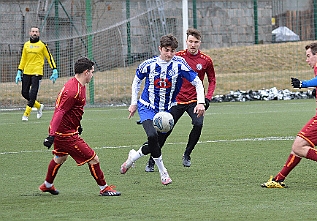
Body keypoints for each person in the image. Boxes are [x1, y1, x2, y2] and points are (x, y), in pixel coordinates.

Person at [120, 34, 206, 185]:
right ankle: (163, 173)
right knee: (152, 136)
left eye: (172, 51)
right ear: (160, 49)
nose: (169, 54)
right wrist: (133, 103)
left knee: (156, 141)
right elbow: (137, 81)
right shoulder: (148, 64)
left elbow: (197, 82)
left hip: (166, 111)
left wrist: (200, 102)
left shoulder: (180, 64)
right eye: (166, 50)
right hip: (147, 107)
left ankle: (133, 157)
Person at [261, 42, 317, 188]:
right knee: (298, 147)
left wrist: (302, 84)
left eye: (308, 56)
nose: (307, 60)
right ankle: (278, 179)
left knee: (298, 146)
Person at [40, 57, 121, 196]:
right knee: (94, 159)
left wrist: (78, 124)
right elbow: (60, 111)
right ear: (86, 72)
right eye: (92, 72)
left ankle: (47, 185)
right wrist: (51, 135)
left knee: (60, 158)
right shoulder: (73, 90)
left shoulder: (77, 85)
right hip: (66, 135)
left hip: (65, 130)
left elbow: (71, 110)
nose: (92, 75)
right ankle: (104, 188)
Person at [143, 28, 216, 172]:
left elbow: (212, 80)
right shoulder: (178, 57)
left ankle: (187, 154)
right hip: (175, 100)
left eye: (196, 42)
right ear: (186, 42)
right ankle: (152, 161)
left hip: (194, 101)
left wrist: (207, 98)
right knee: (163, 130)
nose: (193, 45)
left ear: (200, 43)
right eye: (190, 41)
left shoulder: (206, 60)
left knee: (198, 124)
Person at [16, 26, 59, 122]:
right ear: (29, 33)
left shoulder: (42, 45)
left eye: (36, 32)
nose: (34, 33)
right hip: (27, 72)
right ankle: (39, 106)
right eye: (33, 31)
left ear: (39, 34)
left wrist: (54, 69)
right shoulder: (26, 45)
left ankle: (26, 114)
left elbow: (49, 57)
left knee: (33, 94)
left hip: (37, 72)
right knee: (24, 93)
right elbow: (23, 59)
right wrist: (19, 71)